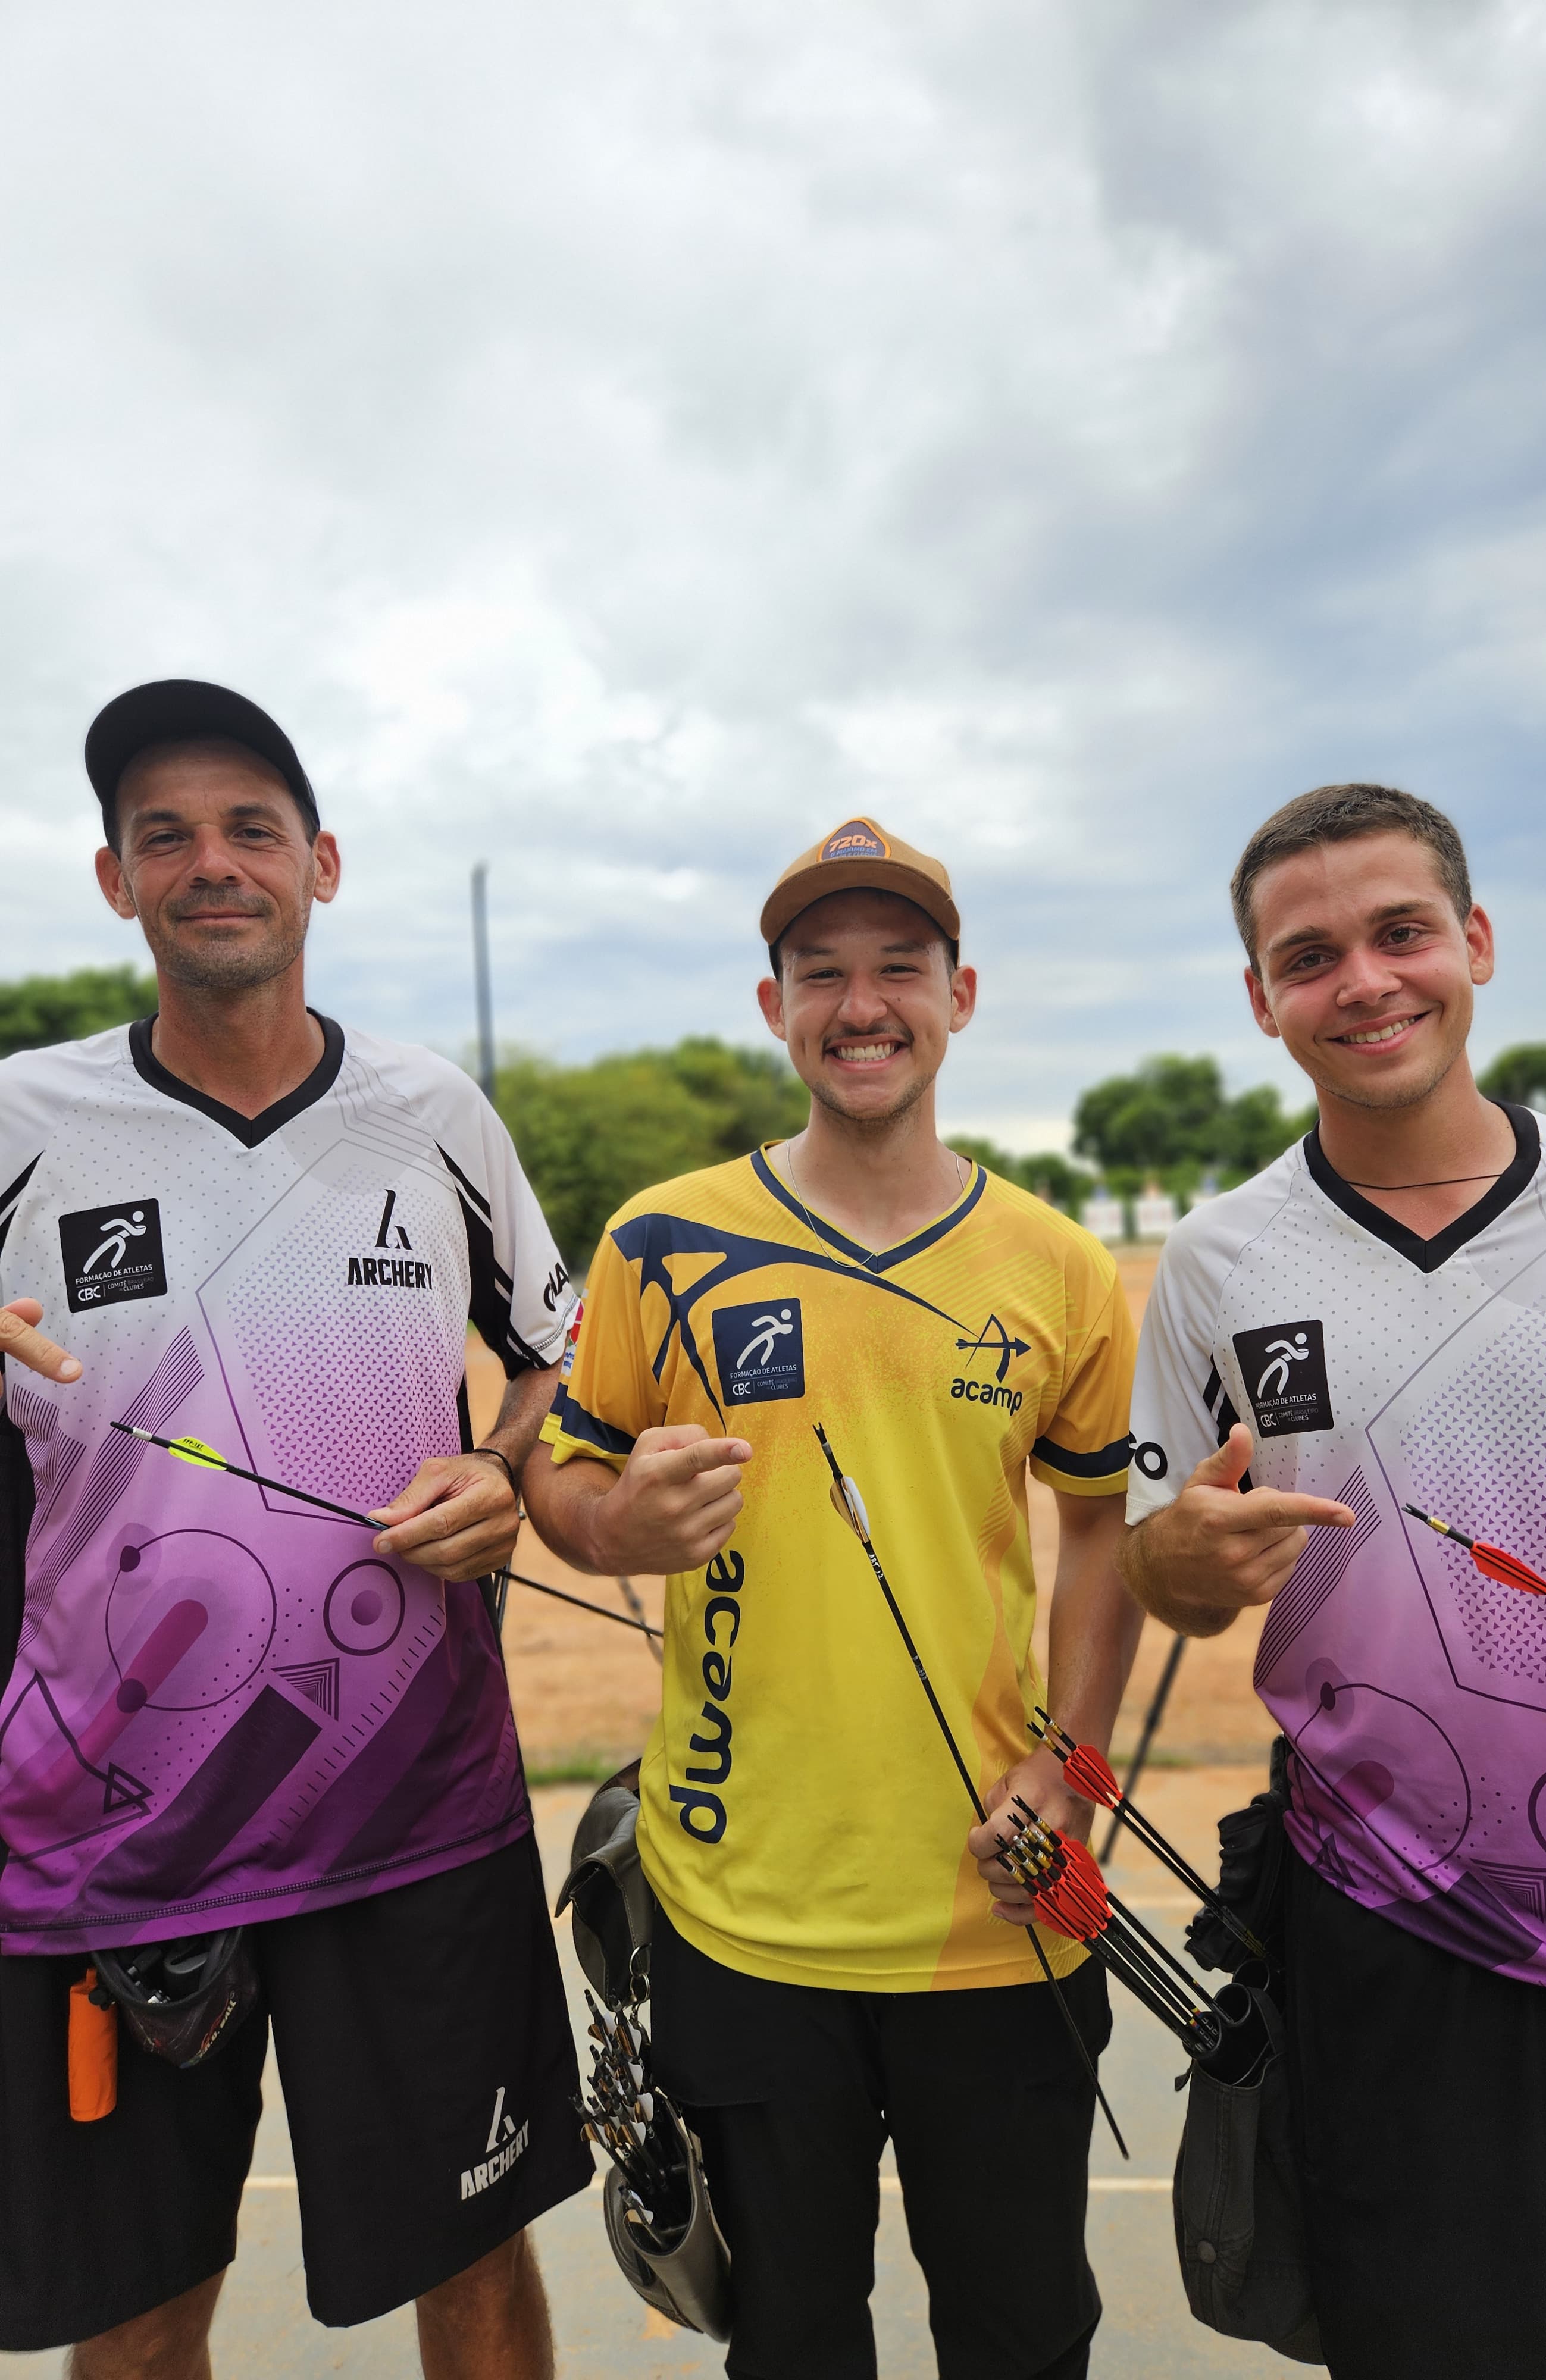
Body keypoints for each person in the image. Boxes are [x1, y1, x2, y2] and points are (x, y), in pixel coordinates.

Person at [1119, 781, 1546, 2379]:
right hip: (1399, 1930)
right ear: (1262, 999)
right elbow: (1167, 1567)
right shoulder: (1216, 1262)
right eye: (1310, 956)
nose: (1364, 981)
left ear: (1475, 941)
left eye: (1401, 932)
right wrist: (1182, 1561)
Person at [0, 682, 588, 2376]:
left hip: (414, 1810)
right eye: (165, 835)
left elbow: (554, 1361)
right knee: (134, 2320)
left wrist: (503, 1472)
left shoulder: (433, 1114)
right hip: (110, 1837)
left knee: (475, 2271)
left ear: (320, 865)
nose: (213, 863)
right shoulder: (23, 1122)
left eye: (252, 829)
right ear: (115, 881)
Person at [525, 816, 1142, 2380]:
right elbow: (565, 1484)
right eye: (821, 974)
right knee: (791, 2342)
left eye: (900, 969)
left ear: (962, 995)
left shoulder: (1061, 1266)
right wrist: (614, 1522)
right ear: (773, 1006)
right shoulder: (660, 1241)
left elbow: (1102, 1536)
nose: (861, 1006)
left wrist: (1070, 1774)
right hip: (739, 1913)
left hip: (1009, 1899)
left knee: (1026, 2336)